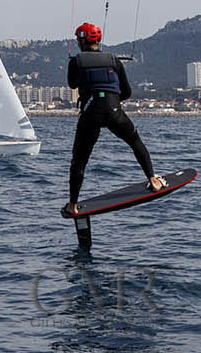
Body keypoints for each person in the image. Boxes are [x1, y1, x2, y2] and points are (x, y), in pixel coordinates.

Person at [64, 22, 163, 216]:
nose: (76, 42)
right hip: (114, 110)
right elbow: (127, 91)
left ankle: (73, 205)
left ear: (82, 41)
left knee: (79, 160)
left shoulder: (76, 61)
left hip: (90, 113)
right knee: (135, 141)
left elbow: (72, 84)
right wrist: (113, 102)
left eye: (77, 39)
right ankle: (152, 179)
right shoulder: (114, 60)